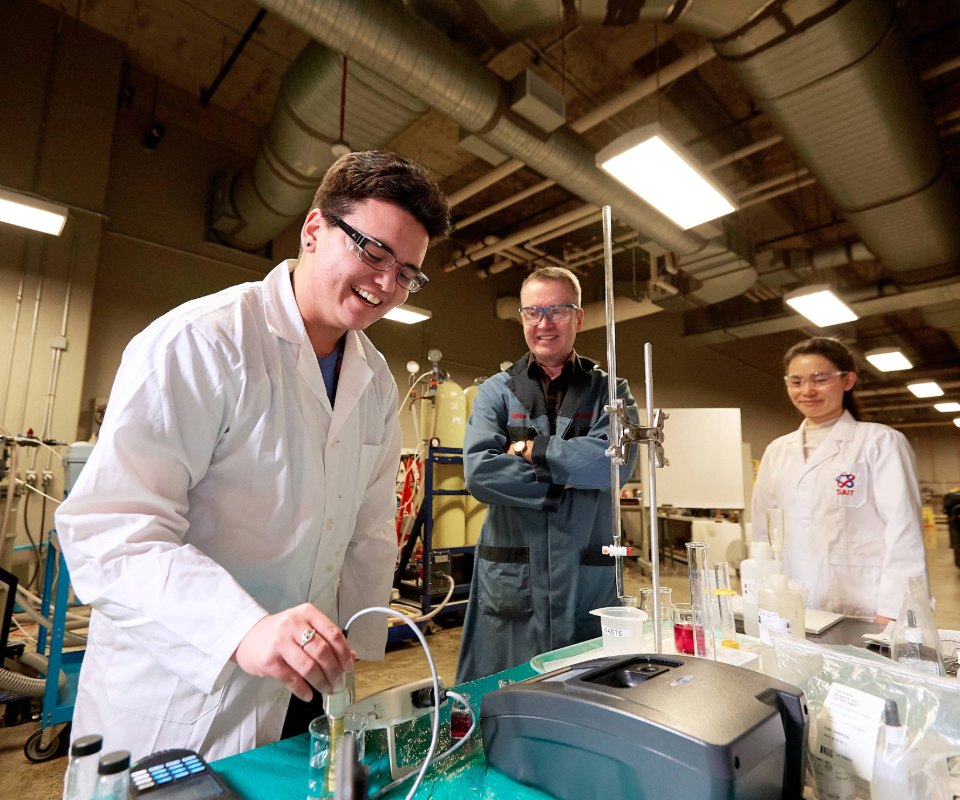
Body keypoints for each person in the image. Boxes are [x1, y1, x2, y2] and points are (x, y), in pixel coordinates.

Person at [55, 150, 451, 760]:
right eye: (374, 252)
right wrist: (243, 628)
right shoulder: (203, 342)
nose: (385, 284)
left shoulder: (373, 382)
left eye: (406, 273)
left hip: (304, 693)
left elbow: (366, 530)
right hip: (181, 691)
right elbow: (114, 530)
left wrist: (354, 646)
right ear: (314, 231)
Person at [455, 266, 638, 683]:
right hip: (514, 575)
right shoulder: (496, 391)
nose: (544, 322)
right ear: (521, 318)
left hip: (585, 571)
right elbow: (481, 473)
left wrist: (529, 450)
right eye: (533, 311)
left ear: (579, 317)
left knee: (586, 692)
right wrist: (567, 476)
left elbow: (616, 465)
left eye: (557, 309)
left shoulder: (612, 392)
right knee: (502, 694)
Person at [751, 336, 928, 622]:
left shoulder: (880, 441)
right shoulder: (777, 451)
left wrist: (895, 609)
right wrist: (762, 593)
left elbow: (903, 527)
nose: (807, 390)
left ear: (848, 381)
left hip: (866, 604)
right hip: (792, 604)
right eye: (796, 381)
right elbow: (763, 529)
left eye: (819, 379)